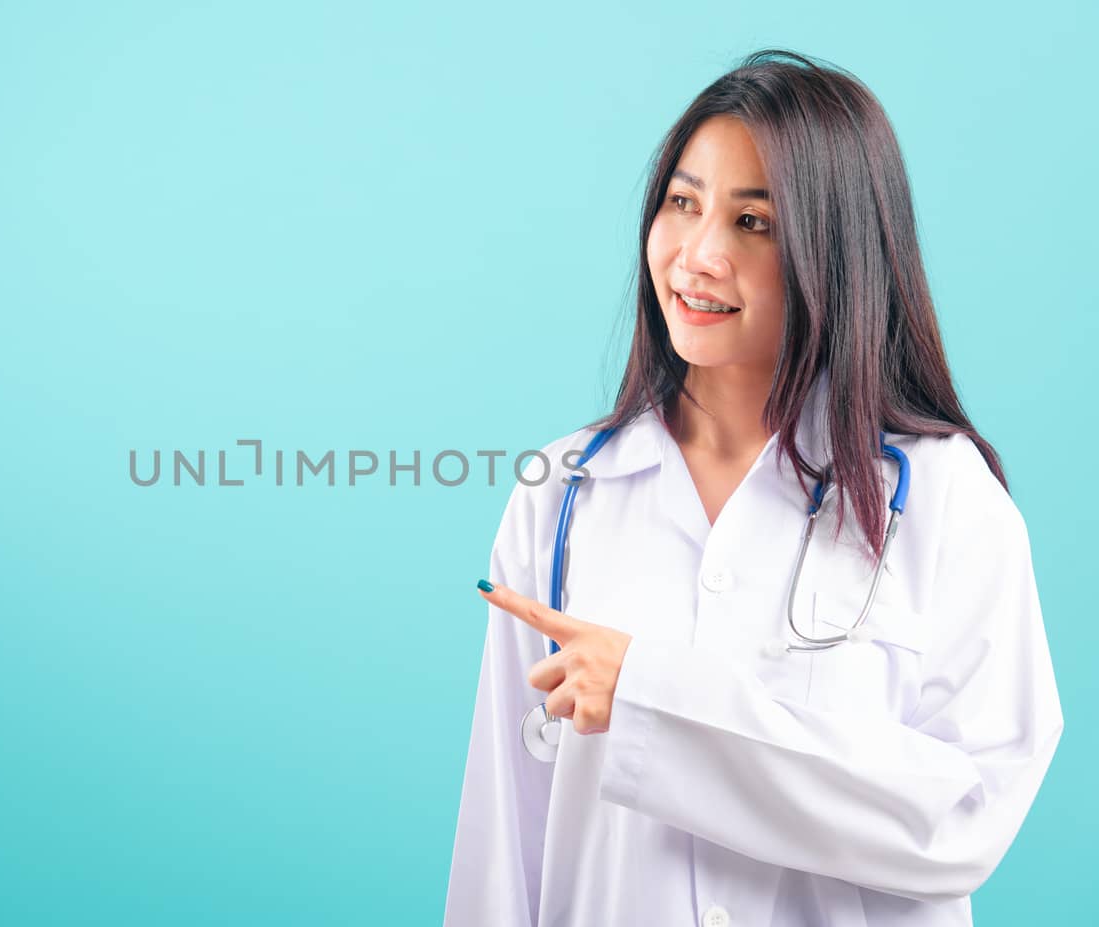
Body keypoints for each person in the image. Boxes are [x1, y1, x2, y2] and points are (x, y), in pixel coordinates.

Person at [443, 49, 1063, 927]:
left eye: (754, 223)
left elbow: (965, 818)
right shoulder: (563, 494)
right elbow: (502, 844)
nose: (699, 255)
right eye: (683, 204)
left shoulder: (946, 500)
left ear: (836, 253)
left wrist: (656, 700)